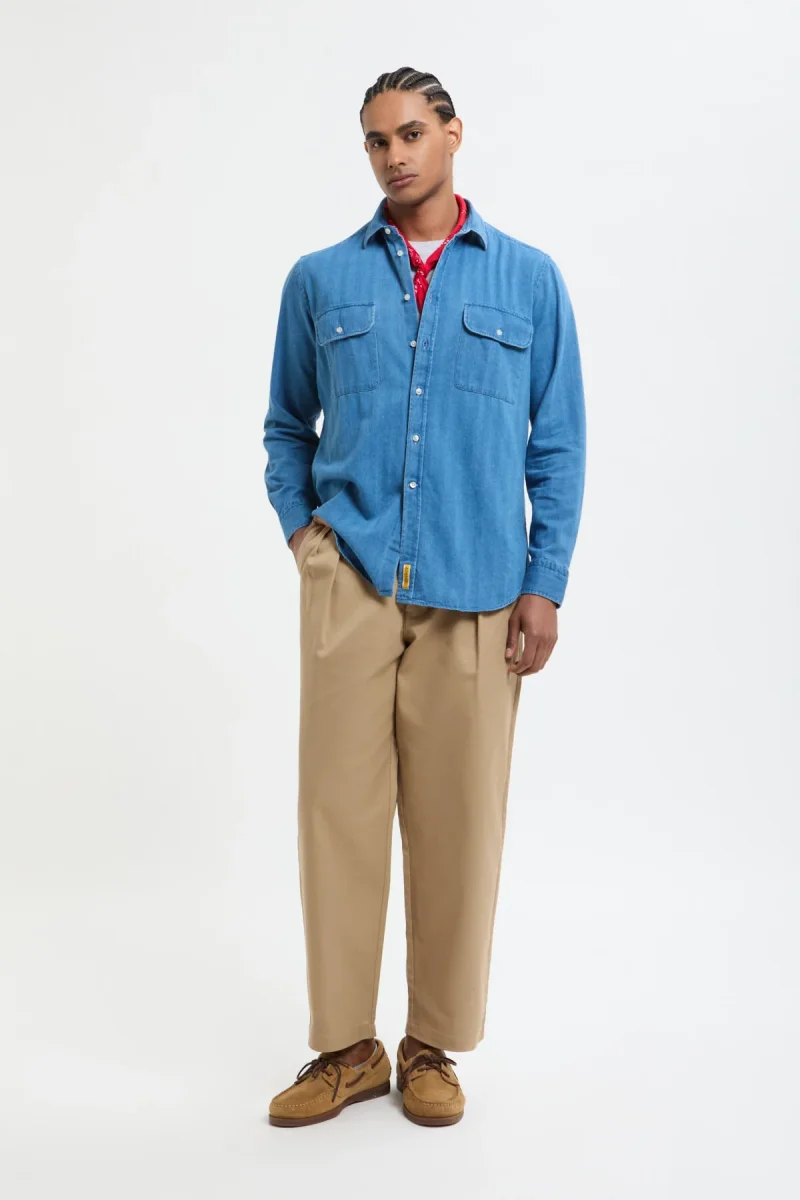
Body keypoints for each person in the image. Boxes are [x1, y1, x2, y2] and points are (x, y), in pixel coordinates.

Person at [262, 66, 586, 1128]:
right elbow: (285, 428)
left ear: (452, 135)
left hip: (480, 591)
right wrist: (308, 541)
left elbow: (557, 444)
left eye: (410, 133)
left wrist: (543, 585)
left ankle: (431, 1046)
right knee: (337, 820)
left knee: (459, 826)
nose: (393, 155)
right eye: (375, 140)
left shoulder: (528, 280)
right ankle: (345, 1049)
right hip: (351, 582)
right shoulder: (319, 279)